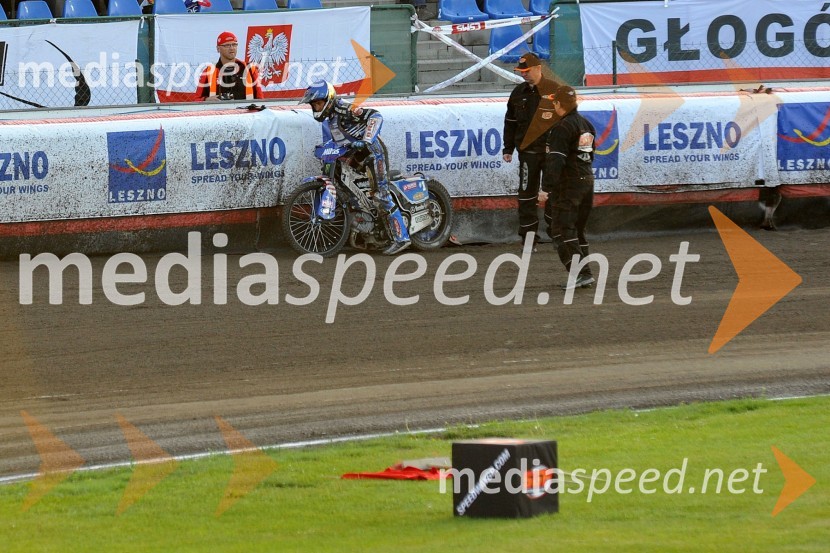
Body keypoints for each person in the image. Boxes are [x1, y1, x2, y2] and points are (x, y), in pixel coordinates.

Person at [299, 80, 410, 255]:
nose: (316, 108)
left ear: (328, 100)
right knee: (346, 185)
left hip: (372, 154)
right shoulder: (331, 118)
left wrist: (366, 139)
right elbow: (342, 140)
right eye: (314, 105)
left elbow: (375, 116)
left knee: (380, 195)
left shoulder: (344, 109)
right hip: (357, 157)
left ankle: (401, 237)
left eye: (319, 103)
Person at [538, 86, 597, 290]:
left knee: (561, 229)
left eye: (554, 102)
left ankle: (582, 273)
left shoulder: (562, 127)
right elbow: (590, 154)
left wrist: (545, 188)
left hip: (569, 184)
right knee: (577, 230)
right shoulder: (586, 124)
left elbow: (556, 161)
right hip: (587, 180)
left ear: (558, 104)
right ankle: (585, 273)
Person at [502, 53, 561, 251]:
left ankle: (558, 235)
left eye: (527, 71)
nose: (524, 75)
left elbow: (567, 122)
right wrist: (507, 148)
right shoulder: (518, 93)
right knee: (526, 195)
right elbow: (510, 122)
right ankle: (529, 239)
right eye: (521, 72)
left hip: (552, 153)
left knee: (554, 193)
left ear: (538, 68)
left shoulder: (555, 90)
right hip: (527, 153)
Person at [197, 32, 263, 102]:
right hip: (220, 112)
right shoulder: (208, 71)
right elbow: (196, 99)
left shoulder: (250, 69)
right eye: (227, 45)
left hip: (245, 112)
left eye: (234, 44)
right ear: (218, 49)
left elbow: (260, 98)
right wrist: (206, 99)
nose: (232, 48)